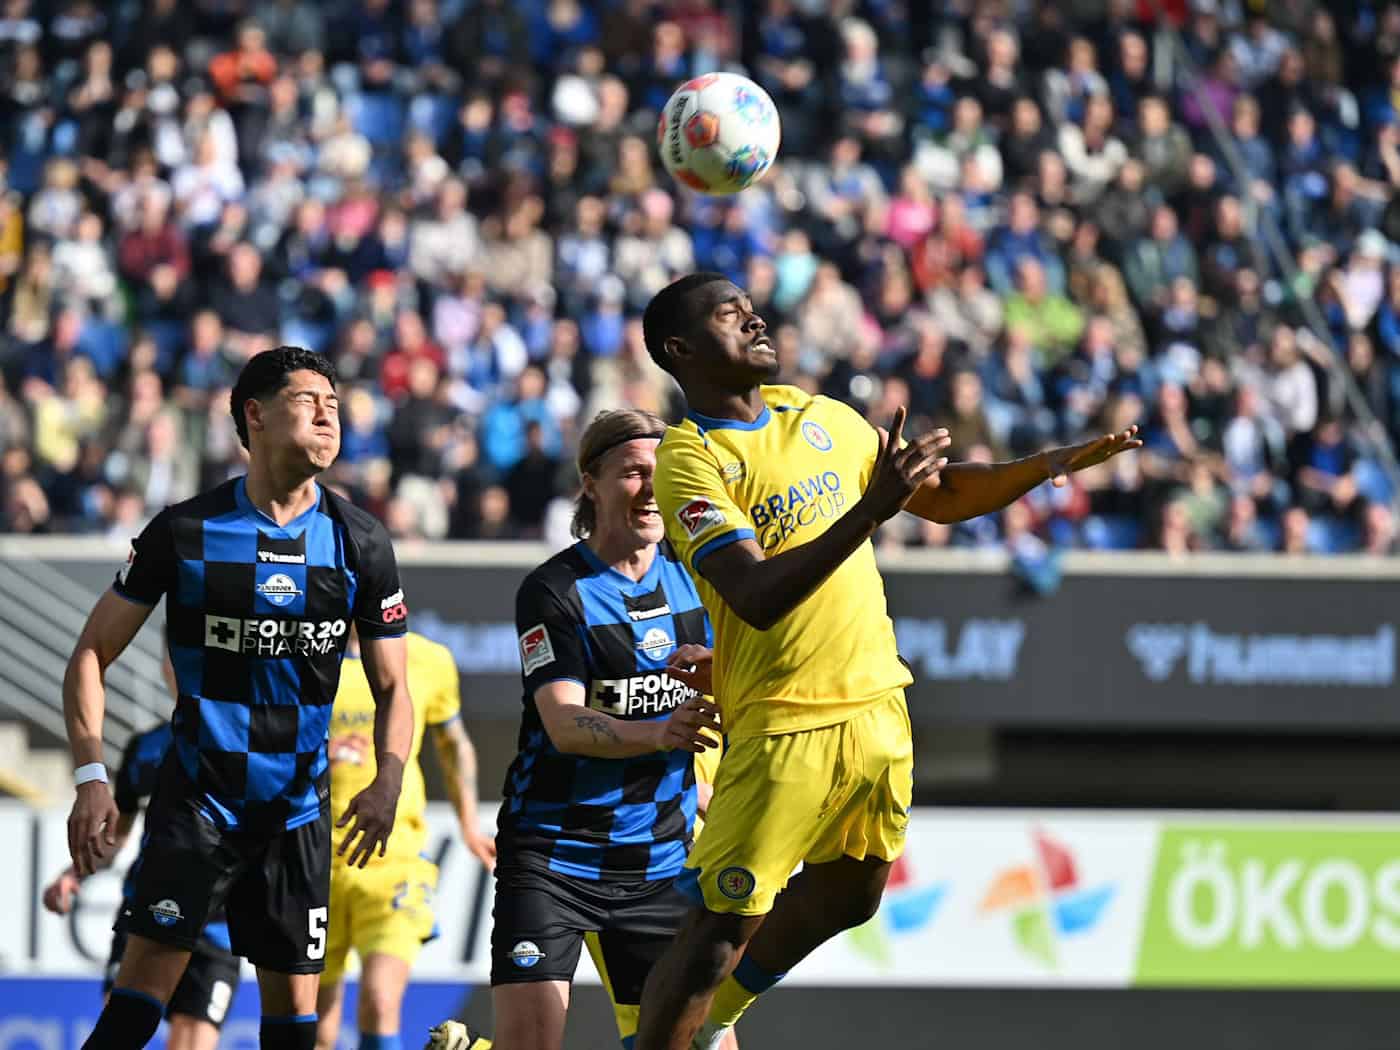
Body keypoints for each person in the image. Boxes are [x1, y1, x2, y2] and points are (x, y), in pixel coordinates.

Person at [633, 273, 1141, 1050]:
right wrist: (872, 510)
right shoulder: (690, 458)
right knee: (714, 936)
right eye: (729, 315)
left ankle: (718, 1021)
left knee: (852, 893)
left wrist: (1045, 465)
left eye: (750, 306)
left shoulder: (823, 415)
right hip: (783, 726)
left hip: (877, 703)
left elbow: (936, 494)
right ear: (681, 349)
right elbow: (755, 592)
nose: (755, 318)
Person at [63, 346, 415, 1050]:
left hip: (298, 812)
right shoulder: (184, 531)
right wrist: (92, 776)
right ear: (254, 415)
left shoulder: (362, 541)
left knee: (292, 1031)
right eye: (308, 399)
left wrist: (389, 778)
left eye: (335, 404)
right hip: (199, 804)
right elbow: (90, 656)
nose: (328, 413)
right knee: (134, 1015)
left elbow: (393, 686)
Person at [426, 408, 733, 1050]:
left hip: (659, 863)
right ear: (591, 482)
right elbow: (564, 724)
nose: (651, 489)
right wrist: (657, 733)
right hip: (553, 860)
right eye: (632, 473)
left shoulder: (698, 576)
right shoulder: (555, 590)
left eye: (663, 473)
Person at [44, 631, 241, 1050]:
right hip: (146, 906)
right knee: (118, 1034)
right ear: (166, 666)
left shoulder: (242, 742)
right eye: (174, 657)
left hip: (217, 923)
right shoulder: (145, 749)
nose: (182, 667)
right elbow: (117, 833)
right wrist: (76, 872)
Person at [316, 627, 498, 1050]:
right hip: (315, 863)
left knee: (380, 1000)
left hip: (393, 862)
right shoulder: (306, 655)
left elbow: (453, 742)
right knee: (315, 1022)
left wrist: (469, 824)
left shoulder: (427, 658)